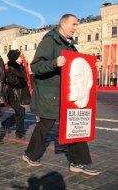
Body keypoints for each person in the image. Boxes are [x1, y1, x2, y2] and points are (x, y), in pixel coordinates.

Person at [23, 14, 100, 176]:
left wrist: (94, 65)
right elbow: (36, 67)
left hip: (67, 94)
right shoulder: (49, 41)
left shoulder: (71, 46)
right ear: (63, 24)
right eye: (73, 24)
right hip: (50, 95)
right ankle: (30, 154)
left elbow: (78, 66)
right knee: (45, 126)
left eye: (76, 25)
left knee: (75, 126)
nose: (75, 28)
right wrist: (54, 63)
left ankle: (80, 162)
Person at [2, 49, 31, 140]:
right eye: (19, 57)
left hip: (21, 94)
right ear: (15, 58)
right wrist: (23, 81)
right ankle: (19, 133)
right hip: (14, 94)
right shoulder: (11, 68)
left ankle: (6, 123)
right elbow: (12, 82)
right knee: (20, 113)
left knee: (20, 114)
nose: (22, 58)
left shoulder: (20, 67)